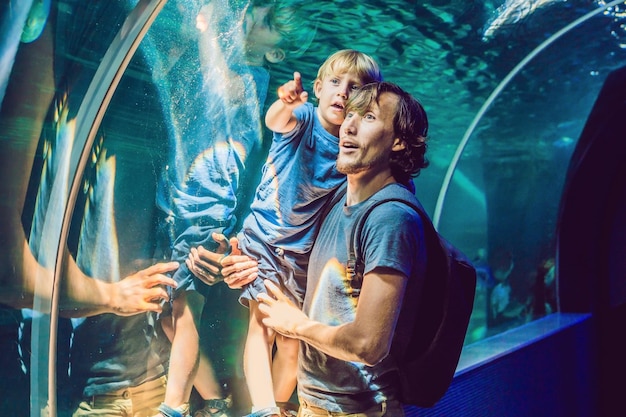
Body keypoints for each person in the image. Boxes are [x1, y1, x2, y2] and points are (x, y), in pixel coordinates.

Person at [187, 49, 383, 417]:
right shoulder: (305, 119)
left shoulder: (351, 144)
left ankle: (278, 404)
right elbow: (278, 121)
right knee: (261, 327)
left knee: (293, 341)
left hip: (301, 254)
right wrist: (285, 103)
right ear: (319, 87)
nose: (343, 92)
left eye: (354, 87)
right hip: (265, 240)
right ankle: (263, 409)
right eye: (336, 83)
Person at [152, 1, 314, 416]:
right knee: (170, 316)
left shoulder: (249, 78)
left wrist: (207, 29)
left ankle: (173, 408)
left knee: (185, 312)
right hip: (183, 204)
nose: (255, 16)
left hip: (203, 212)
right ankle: (216, 404)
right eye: (261, 9)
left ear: (275, 53)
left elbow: (219, 86)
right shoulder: (240, 72)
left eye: (270, 22)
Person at [254, 81, 430, 416]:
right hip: (315, 404)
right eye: (349, 114)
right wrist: (249, 260)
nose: (348, 124)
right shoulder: (338, 202)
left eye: (368, 117)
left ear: (398, 141)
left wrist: (295, 325)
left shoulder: (390, 218)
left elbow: (368, 344)